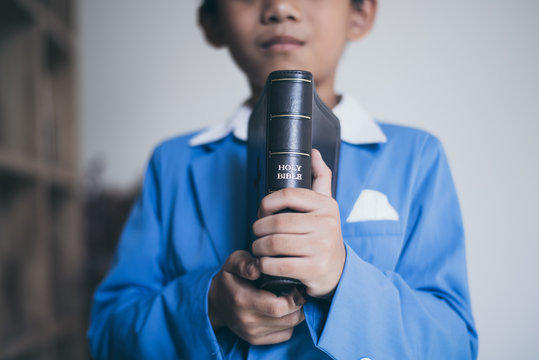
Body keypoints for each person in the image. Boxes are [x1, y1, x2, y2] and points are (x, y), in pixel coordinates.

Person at [88, 0, 478, 358]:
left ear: (360, 14)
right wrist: (208, 305)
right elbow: (108, 335)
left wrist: (343, 277)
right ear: (212, 22)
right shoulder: (172, 163)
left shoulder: (416, 157)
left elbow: (455, 344)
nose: (280, 7)